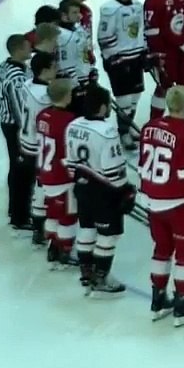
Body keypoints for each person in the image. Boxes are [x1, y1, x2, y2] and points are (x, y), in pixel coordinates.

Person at [138, 86, 184, 326]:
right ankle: (182, 303)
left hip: (151, 197)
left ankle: (157, 300)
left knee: (162, 247)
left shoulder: (149, 127)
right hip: (177, 202)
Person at [66, 85, 133, 296]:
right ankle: (101, 277)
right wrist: (125, 190)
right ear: (103, 107)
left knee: (86, 227)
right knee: (108, 234)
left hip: (81, 187)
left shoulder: (73, 125)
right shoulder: (106, 131)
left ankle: (86, 272)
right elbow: (112, 170)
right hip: (103, 192)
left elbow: (70, 164)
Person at [97, 0, 147, 149]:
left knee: (135, 98)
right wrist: (112, 57)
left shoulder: (138, 6)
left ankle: (129, 127)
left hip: (136, 58)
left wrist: (144, 51)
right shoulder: (109, 9)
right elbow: (104, 37)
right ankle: (123, 132)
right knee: (124, 101)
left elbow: (142, 30)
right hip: (120, 61)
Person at [36, 78, 79, 268]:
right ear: (67, 96)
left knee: (53, 212)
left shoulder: (42, 115)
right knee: (68, 216)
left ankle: (53, 245)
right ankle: (65, 250)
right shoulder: (69, 121)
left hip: (46, 172)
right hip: (62, 176)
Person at [0, 34, 34, 231]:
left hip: (7, 122)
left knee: (17, 167)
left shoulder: (5, 66)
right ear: (19, 49)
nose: (31, 49)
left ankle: (15, 210)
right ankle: (20, 217)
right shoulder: (16, 76)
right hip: (16, 127)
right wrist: (26, 132)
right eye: (28, 46)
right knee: (22, 170)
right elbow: (20, 108)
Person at [21, 52, 57, 247]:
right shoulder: (45, 96)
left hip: (26, 140)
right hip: (39, 145)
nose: (57, 70)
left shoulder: (28, 85)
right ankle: (41, 227)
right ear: (44, 71)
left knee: (39, 185)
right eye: (53, 67)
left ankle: (38, 225)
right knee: (43, 186)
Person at [56, 0, 96, 113]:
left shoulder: (79, 29)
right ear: (64, 15)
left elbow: (84, 53)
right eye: (74, 12)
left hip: (85, 80)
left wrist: (91, 70)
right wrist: (77, 84)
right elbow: (65, 65)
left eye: (78, 12)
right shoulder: (62, 36)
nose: (78, 15)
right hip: (74, 85)